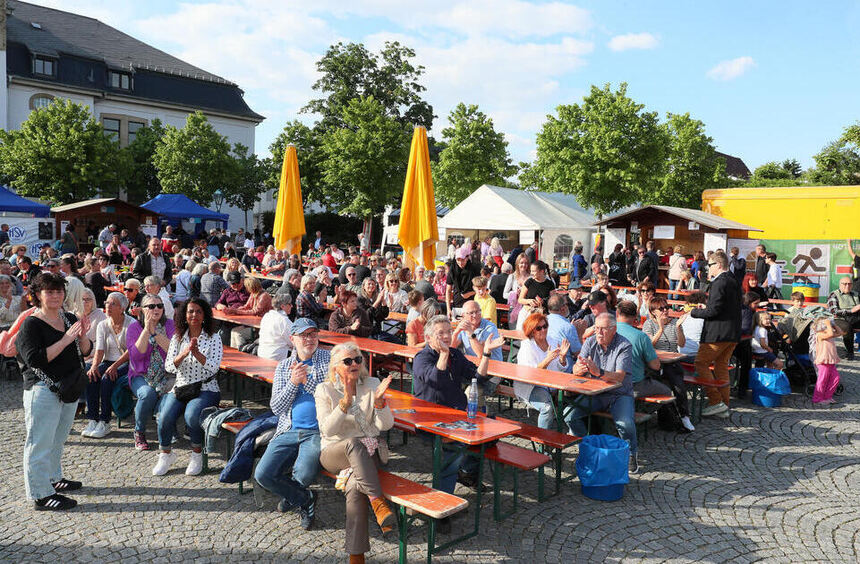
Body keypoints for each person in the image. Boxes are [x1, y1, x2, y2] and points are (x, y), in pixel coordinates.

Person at [17, 272, 93, 510]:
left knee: (58, 440)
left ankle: (54, 479)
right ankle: (40, 494)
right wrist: (65, 339)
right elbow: (35, 359)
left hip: (68, 387)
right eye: (49, 291)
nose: (55, 295)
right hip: (43, 389)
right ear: (37, 295)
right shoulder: (31, 323)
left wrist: (81, 336)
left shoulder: (69, 317)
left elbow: (86, 351)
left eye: (59, 291)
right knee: (39, 443)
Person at [315, 342, 395, 563]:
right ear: (335, 367)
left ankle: (356, 555)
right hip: (334, 452)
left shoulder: (371, 384)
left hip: (366, 454)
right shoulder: (325, 389)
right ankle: (377, 502)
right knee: (352, 442)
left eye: (358, 360)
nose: (354, 364)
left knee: (354, 486)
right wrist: (344, 403)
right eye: (348, 361)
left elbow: (385, 426)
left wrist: (379, 404)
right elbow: (327, 429)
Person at [412, 315, 504, 492]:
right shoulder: (421, 358)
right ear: (428, 338)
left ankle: (466, 472)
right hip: (431, 421)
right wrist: (444, 353)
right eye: (441, 333)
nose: (446, 336)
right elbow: (436, 380)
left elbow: (478, 377)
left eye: (449, 332)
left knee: (489, 434)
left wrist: (486, 353)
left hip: (458, 416)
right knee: (455, 448)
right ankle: (443, 502)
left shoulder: (455, 354)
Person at [253, 319, 329, 529]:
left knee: (303, 474)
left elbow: (332, 399)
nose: (309, 339)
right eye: (304, 335)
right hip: (288, 429)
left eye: (313, 334)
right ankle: (305, 498)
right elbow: (276, 407)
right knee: (263, 474)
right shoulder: (284, 367)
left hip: (317, 431)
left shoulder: (328, 360)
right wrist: (293, 383)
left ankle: (294, 496)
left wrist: (307, 382)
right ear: (292, 339)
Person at [153, 298, 223, 476]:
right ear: (184, 315)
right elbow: (169, 367)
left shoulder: (214, 338)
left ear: (205, 315)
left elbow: (214, 367)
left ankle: (197, 454)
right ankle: (166, 453)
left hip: (206, 388)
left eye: (198, 311)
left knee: (192, 416)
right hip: (182, 386)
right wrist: (184, 353)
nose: (194, 315)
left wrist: (197, 354)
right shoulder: (177, 338)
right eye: (191, 311)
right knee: (163, 416)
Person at [567, 312, 639, 472]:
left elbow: (620, 377)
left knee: (625, 424)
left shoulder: (624, 345)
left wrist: (598, 371)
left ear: (613, 330)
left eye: (603, 329)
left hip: (619, 393)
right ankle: (590, 447)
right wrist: (577, 369)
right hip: (596, 393)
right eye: (597, 328)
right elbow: (575, 368)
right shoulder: (590, 341)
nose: (598, 332)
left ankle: (632, 453)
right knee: (568, 415)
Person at [690, 251, 741, 418]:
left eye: (709, 265)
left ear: (718, 265)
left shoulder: (720, 282)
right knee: (721, 366)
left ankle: (715, 401)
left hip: (717, 334)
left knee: (700, 363)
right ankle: (723, 405)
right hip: (732, 332)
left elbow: (713, 311)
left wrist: (694, 312)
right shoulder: (733, 279)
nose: (707, 269)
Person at [614, 300, 679, 425]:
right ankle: (648, 416)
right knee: (666, 391)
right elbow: (655, 365)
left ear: (617, 313)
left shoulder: (608, 331)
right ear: (635, 317)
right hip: (634, 385)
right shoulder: (640, 336)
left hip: (610, 382)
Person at [126, 293, 175, 450]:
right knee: (147, 393)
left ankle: (167, 426)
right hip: (140, 374)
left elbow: (172, 351)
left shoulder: (170, 325)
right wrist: (147, 330)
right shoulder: (134, 327)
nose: (156, 309)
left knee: (178, 389)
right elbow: (136, 355)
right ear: (142, 309)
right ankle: (139, 431)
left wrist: (155, 332)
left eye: (159, 306)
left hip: (166, 373)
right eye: (151, 306)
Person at [81, 291, 132, 439]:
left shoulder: (131, 323)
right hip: (108, 360)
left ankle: (105, 421)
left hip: (127, 362)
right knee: (92, 376)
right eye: (107, 303)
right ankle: (92, 419)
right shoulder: (103, 324)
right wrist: (94, 366)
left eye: (113, 303)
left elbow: (131, 351)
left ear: (122, 308)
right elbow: (100, 350)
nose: (108, 306)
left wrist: (115, 366)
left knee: (107, 379)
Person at [641, 297, 694, 431]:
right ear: (653, 312)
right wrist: (660, 328)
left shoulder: (674, 322)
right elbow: (648, 345)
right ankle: (669, 417)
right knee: (661, 384)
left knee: (679, 386)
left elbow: (681, 344)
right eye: (661, 309)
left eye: (667, 307)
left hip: (672, 362)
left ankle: (684, 416)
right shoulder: (648, 324)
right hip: (655, 362)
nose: (665, 311)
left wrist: (679, 328)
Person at [516, 312, 571, 430]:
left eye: (545, 326)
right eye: (539, 328)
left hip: (551, 384)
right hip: (531, 386)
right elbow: (530, 375)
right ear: (531, 331)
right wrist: (547, 360)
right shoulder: (527, 346)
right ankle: (543, 441)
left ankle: (568, 432)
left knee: (575, 399)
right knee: (547, 407)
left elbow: (560, 369)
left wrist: (562, 358)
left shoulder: (552, 341)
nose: (543, 330)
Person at [230, 277, 273, 348]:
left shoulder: (264, 296)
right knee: (233, 331)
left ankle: (242, 352)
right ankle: (234, 352)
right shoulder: (253, 293)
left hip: (261, 326)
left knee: (238, 334)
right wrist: (234, 309)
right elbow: (247, 306)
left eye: (247, 287)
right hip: (253, 324)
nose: (246, 289)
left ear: (251, 287)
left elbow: (255, 311)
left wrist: (237, 311)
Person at [811, 318, 844, 405]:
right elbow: (830, 333)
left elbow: (840, 333)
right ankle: (817, 398)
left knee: (835, 378)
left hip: (830, 361)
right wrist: (828, 323)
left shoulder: (829, 333)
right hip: (823, 361)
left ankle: (827, 396)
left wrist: (833, 325)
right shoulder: (820, 334)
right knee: (822, 380)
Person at [826, 276, 860, 360]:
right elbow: (834, 311)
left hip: (855, 317)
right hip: (839, 318)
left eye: (849, 284)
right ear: (840, 285)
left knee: (850, 325)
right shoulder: (834, 294)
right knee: (847, 327)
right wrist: (851, 311)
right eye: (844, 284)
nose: (847, 286)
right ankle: (850, 351)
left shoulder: (856, 294)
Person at [446, 248, 480, 318]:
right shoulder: (452, 270)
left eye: (463, 260)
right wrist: (448, 309)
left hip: (471, 304)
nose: (460, 262)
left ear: (467, 258)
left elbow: (481, 288)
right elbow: (448, 290)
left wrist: (469, 293)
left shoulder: (474, 269)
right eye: (458, 260)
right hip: (457, 305)